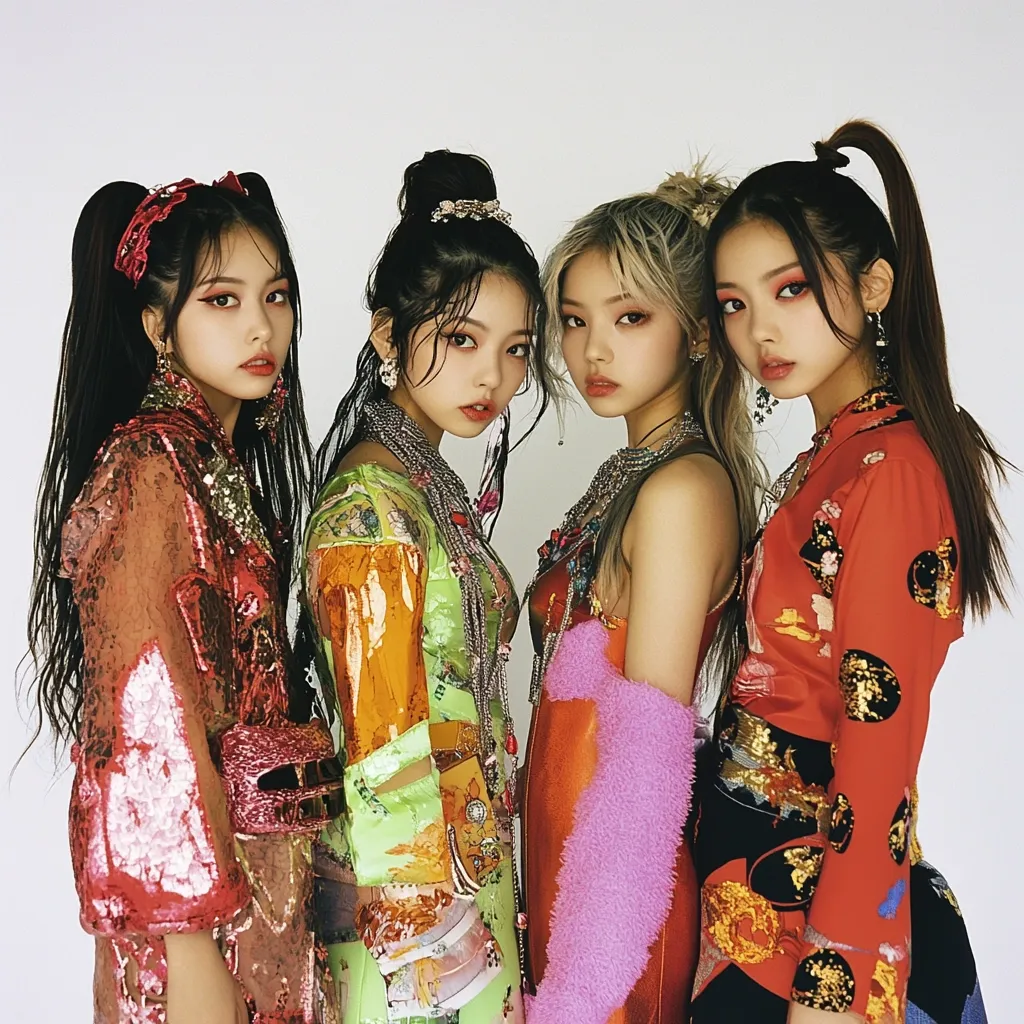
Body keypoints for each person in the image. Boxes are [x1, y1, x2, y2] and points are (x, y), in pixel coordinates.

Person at [690, 121, 1005, 1023]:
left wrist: (839, 978)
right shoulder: (832, 454)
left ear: (873, 285)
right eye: (734, 304)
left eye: (788, 289)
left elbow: (880, 743)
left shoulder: (893, 471)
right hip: (749, 871)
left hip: (818, 913)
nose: (759, 330)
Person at [26, 173, 343, 1024]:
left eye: (275, 297)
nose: (259, 326)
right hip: (201, 922)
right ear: (156, 326)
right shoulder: (149, 468)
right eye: (222, 299)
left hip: (269, 892)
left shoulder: (213, 464)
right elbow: (143, 722)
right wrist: (190, 941)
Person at [299, 151, 558, 1023]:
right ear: (386, 338)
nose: (494, 376)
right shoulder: (371, 508)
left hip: (469, 879)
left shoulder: (426, 490)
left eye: (516, 348)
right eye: (461, 339)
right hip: (413, 926)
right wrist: (428, 944)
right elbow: (379, 751)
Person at [520, 169, 762, 1024]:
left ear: (697, 332)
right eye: (575, 321)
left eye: (629, 319)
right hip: (561, 867)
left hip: (615, 913)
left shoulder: (680, 490)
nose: (593, 351)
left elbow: (645, 764)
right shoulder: (633, 471)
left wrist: (583, 991)